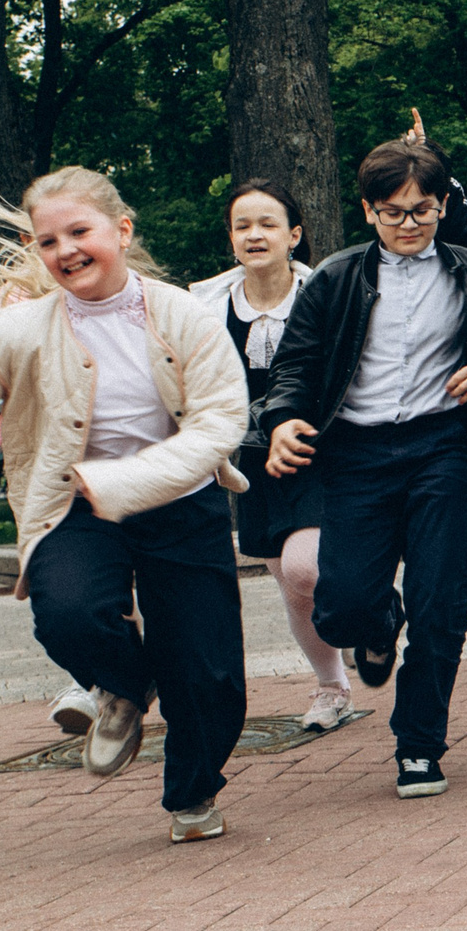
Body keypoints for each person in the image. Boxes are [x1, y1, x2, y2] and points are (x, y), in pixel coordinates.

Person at [0, 167, 247, 845]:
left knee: (206, 669)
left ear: (122, 229)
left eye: (80, 232)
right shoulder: (21, 328)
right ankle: (123, 684)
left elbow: (219, 422)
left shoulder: (182, 315)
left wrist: (127, 483)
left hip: (181, 500)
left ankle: (193, 789)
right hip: (73, 504)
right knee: (67, 613)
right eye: (48, 240)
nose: (66, 251)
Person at [262, 139, 467, 800]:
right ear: (369, 211)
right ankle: (376, 624)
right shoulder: (335, 279)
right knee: (341, 607)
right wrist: (283, 419)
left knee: (441, 605)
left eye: (423, 210)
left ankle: (420, 744)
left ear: (443, 205)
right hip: (357, 456)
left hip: (444, 450)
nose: (410, 223)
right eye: (394, 212)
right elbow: (295, 366)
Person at [189, 181, 350, 733]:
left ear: (294, 235)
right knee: (287, 577)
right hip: (248, 464)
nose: (254, 235)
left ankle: (363, 613)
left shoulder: (327, 292)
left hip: (321, 451)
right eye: (242, 226)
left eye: (268, 224)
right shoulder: (201, 303)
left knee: (306, 568)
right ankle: (332, 685)